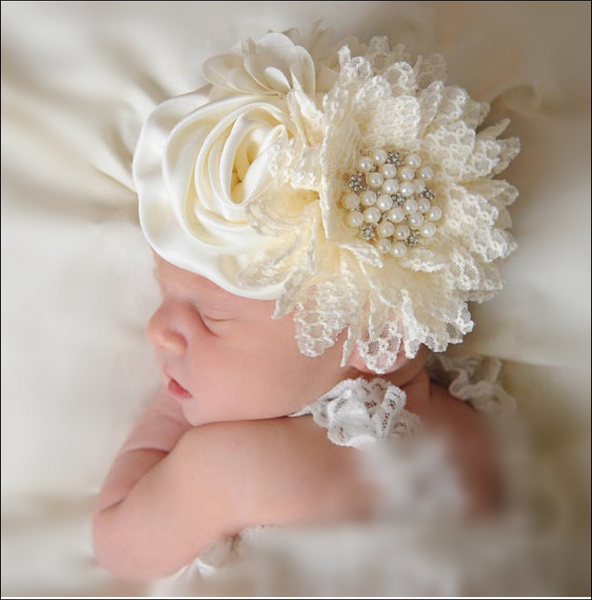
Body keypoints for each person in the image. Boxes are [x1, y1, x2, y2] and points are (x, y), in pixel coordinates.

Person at [92, 22, 567, 595]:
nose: (158, 330)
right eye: (165, 296)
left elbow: (118, 542)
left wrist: (171, 411)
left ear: (376, 337)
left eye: (210, 317)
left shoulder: (226, 467)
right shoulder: (466, 432)